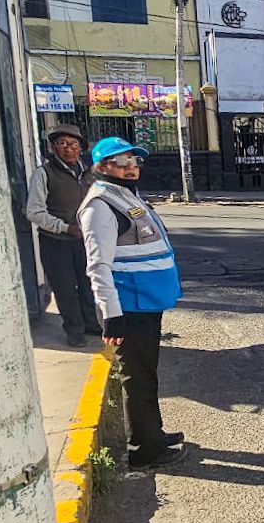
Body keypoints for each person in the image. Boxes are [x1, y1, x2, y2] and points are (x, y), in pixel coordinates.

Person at [78, 137, 185, 469]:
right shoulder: (100, 206)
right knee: (136, 379)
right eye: (122, 162)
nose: (131, 167)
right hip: (128, 307)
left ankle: (153, 433)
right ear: (102, 167)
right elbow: (98, 266)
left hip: (145, 303)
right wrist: (112, 315)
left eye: (134, 161)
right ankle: (143, 449)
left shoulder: (124, 196)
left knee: (146, 374)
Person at [26, 124, 102, 346]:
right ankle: (74, 331)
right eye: (63, 144)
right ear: (53, 148)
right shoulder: (43, 173)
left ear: (81, 148)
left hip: (86, 241)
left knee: (89, 285)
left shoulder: (89, 173)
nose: (69, 149)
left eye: (74, 144)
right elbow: (34, 212)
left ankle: (91, 324)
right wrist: (65, 227)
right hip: (56, 242)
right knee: (65, 289)